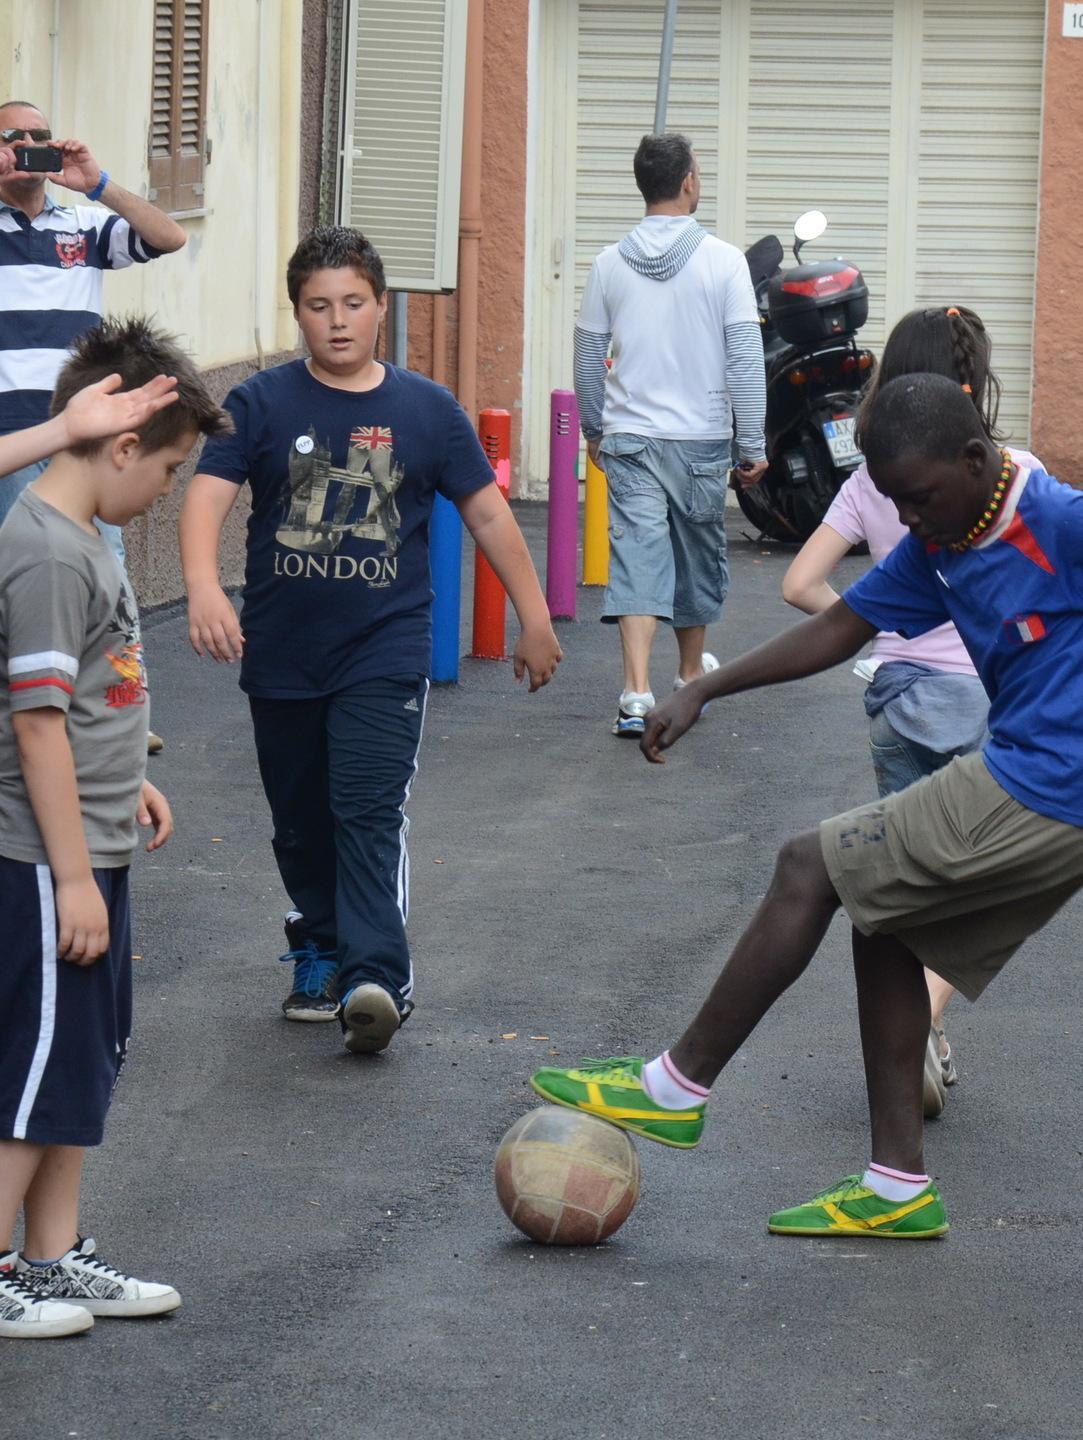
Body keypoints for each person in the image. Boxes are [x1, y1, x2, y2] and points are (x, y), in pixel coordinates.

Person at [533, 372, 1083, 1240]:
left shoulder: (1058, 520)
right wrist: (706, 688)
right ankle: (896, 1185)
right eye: (895, 503)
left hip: (1047, 783)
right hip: (1031, 778)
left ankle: (673, 1089)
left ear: (975, 460)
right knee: (883, 921)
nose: (908, 519)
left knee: (808, 863)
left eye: (920, 496)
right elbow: (838, 627)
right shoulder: (943, 535)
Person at [180, 226, 563, 1055]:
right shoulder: (261, 404)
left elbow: (488, 512)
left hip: (383, 650)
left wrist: (532, 616)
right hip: (280, 649)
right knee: (297, 820)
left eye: (353, 303)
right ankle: (316, 948)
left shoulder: (427, 411)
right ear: (298, 315)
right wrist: (205, 588)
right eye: (319, 307)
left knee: (365, 807)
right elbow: (208, 494)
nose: (338, 321)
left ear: (381, 307)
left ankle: (376, 977)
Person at [0, 319, 231, 1338]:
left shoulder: (81, 540)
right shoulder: (45, 551)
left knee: (78, 1061)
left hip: (88, 841)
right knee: (31, 1068)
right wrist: (75, 876)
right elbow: (37, 722)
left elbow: (93, 697)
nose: (168, 494)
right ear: (123, 443)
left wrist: (130, 778)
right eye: (172, 470)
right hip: (46, 864)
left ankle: (49, 1259)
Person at [781, 305, 1042, 1117]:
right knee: (968, 892)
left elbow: (799, 586)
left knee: (903, 884)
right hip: (982, 707)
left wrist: (875, 631)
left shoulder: (866, 483)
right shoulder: (1015, 474)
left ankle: (913, 1059)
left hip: (897, 699)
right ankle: (928, 1019)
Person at [0, 102, 187, 753]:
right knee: (12, 580)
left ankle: (125, 708)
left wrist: (98, 182)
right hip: (5, 444)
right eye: (12, 139)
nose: (28, 148)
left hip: (80, 447)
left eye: (39, 139)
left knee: (106, 577)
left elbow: (169, 238)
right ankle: (28, 715)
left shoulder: (81, 224)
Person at [573, 131, 767, 738]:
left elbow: (587, 354)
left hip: (629, 435)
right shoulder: (724, 261)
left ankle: (634, 693)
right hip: (701, 438)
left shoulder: (608, 263)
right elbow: (743, 356)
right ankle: (688, 677)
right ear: (688, 182)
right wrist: (752, 440)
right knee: (695, 557)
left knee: (637, 556)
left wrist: (592, 425)